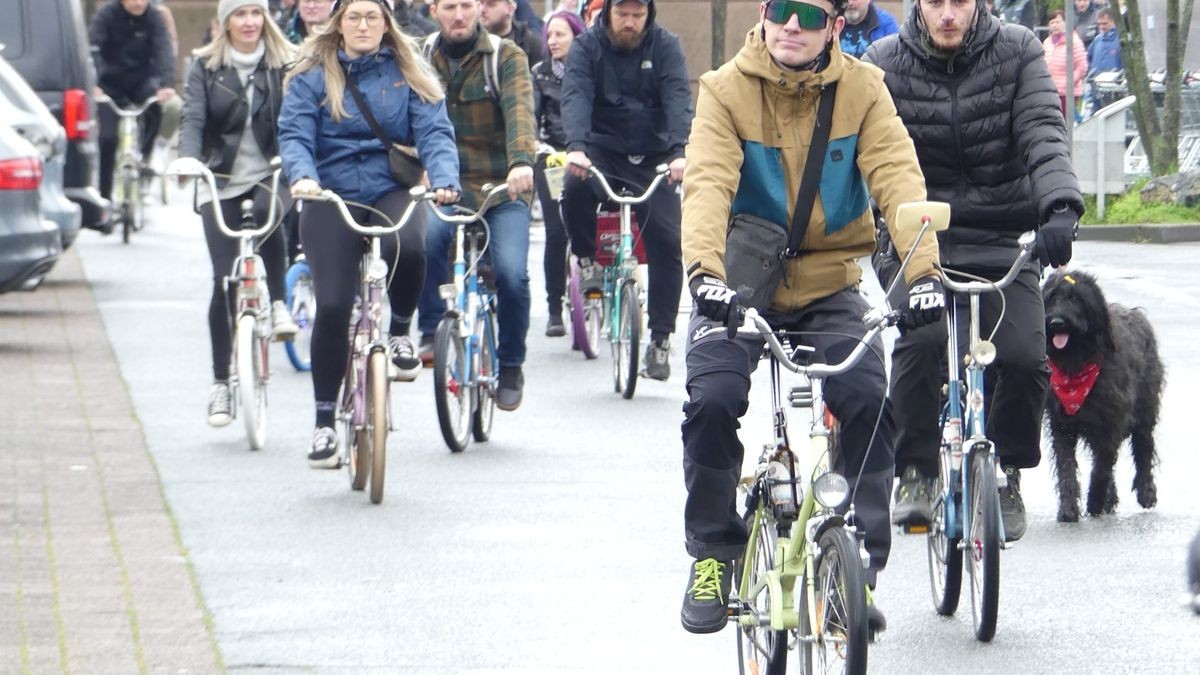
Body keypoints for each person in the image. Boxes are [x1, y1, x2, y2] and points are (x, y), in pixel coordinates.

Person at [678, 0, 941, 636]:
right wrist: (704, 276)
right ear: (764, 17)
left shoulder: (864, 90)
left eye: (808, 13)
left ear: (836, 26)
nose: (791, 26)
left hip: (830, 286)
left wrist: (922, 276)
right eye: (779, 10)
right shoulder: (723, 91)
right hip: (737, 283)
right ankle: (714, 552)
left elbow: (900, 185)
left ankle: (857, 562)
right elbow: (708, 185)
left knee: (869, 395)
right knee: (713, 400)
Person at [864, 0, 1084, 541]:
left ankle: (1005, 471)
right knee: (921, 343)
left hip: (999, 239)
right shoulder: (883, 61)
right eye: (935, 2)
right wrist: (877, 234)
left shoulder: (1018, 52)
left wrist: (1059, 208)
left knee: (1026, 357)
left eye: (958, 2)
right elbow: (869, 156)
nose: (946, 15)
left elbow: (1043, 133)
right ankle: (914, 470)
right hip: (916, 239)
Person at [279, 0, 461, 466]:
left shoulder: (408, 71)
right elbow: (295, 133)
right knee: (335, 305)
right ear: (339, 23)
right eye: (354, 17)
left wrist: (443, 179)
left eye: (372, 17)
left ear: (386, 23)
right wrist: (302, 175)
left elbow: (435, 132)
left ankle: (400, 329)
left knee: (412, 243)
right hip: (329, 194)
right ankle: (323, 423)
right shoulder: (311, 74)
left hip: (389, 187)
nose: (363, 25)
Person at [180, 0, 300, 426]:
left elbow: (296, 120)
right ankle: (220, 384)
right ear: (225, 21)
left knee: (271, 212)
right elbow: (192, 120)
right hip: (220, 176)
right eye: (240, 14)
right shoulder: (203, 67)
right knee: (224, 278)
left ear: (265, 18)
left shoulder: (285, 63)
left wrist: (298, 164)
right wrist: (188, 161)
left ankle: (281, 305)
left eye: (256, 13)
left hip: (272, 169)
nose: (249, 22)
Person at [560, 0, 693, 382]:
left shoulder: (666, 45)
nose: (630, 23)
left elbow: (678, 98)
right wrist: (577, 148)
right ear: (608, 13)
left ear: (649, 14)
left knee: (669, 240)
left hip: (654, 153)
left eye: (638, 15)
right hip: (601, 149)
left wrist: (679, 152)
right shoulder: (586, 47)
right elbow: (576, 97)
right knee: (573, 187)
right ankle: (587, 263)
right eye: (623, 14)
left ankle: (660, 340)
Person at [419, 0, 538, 411]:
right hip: (444, 187)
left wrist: (522, 162)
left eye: (467, 5)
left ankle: (509, 365)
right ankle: (429, 328)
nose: (459, 15)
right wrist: (416, 167)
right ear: (433, 9)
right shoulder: (417, 57)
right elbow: (406, 117)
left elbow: (521, 113)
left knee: (511, 273)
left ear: (478, 11)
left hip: (501, 187)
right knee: (426, 241)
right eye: (449, 6)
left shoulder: (506, 56)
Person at [89, 0, 177, 205]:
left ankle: (145, 156)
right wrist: (93, 82)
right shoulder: (106, 15)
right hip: (109, 84)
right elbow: (94, 49)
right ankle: (105, 195)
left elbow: (164, 50)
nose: (138, 2)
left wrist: (166, 83)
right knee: (108, 138)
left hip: (142, 82)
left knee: (155, 108)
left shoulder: (154, 18)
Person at [532, 10, 585, 337]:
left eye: (560, 34)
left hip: (587, 155)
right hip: (551, 156)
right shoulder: (538, 73)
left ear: (577, 36)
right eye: (549, 35)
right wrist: (536, 143)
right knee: (555, 231)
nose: (552, 41)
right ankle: (554, 308)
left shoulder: (590, 70)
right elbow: (532, 113)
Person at [1043, 9, 1088, 120]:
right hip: (1050, 91)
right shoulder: (1047, 42)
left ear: (1065, 23)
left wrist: (1068, 83)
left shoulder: (1074, 41)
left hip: (1068, 93)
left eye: (1058, 22)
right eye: (1052, 22)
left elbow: (1082, 67)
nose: (1055, 25)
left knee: (1064, 123)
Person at [480, 0, 548, 65]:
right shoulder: (473, 40)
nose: (482, 9)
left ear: (510, 9)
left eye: (491, 5)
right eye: (481, 3)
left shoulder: (530, 43)